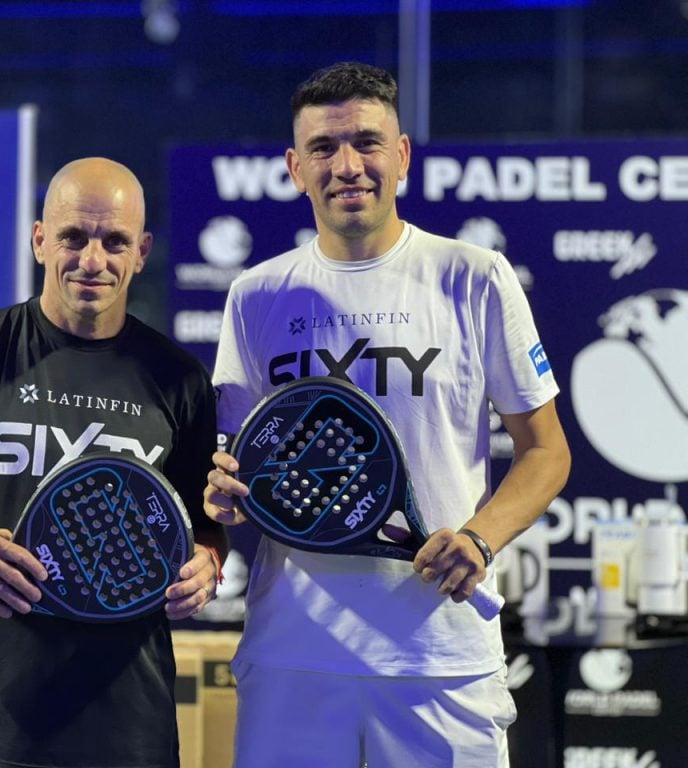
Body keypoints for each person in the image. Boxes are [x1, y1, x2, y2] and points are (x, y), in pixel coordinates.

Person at [203, 62, 571, 767]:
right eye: (323, 148)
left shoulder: (474, 276)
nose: (347, 166)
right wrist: (222, 494)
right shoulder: (254, 296)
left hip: (443, 657)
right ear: (294, 167)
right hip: (294, 658)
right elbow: (239, 471)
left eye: (367, 143)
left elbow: (546, 451)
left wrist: (481, 539)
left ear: (401, 156)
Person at [0, 156, 228, 768]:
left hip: (127, 733)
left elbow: (204, 524)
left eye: (114, 242)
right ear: (39, 240)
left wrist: (207, 563)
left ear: (142, 251)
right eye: (72, 238)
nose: (92, 261)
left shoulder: (179, 379)